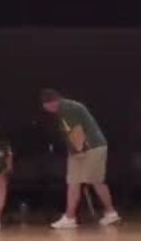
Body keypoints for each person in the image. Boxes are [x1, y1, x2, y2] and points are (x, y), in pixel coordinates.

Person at [40, 89, 121, 228]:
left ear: (51, 103)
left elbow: (77, 131)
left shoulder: (67, 108)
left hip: (91, 148)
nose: (46, 110)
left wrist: (79, 151)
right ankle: (70, 217)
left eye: (46, 106)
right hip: (81, 149)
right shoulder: (64, 108)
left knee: (96, 181)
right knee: (73, 181)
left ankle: (111, 213)